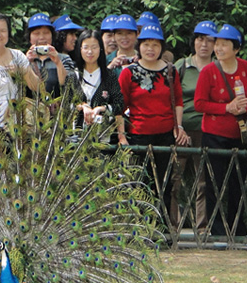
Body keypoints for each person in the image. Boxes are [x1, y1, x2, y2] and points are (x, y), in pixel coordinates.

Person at [194, 24, 247, 238]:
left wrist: (244, 107)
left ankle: (238, 228)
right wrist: (226, 108)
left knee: (237, 182)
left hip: (240, 134)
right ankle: (217, 230)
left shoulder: (246, 68)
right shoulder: (209, 71)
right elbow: (199, 103)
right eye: (218, 44)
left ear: (236, 48)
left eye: (224, 44)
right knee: (214, 182)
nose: (219, 48)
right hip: (214, 134)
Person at [118, 24, 189, 214]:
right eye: (146, 44)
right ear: (139, 46)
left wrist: (178, 126)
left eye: (155, 45)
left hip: (165, 135)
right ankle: (141, 229)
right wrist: (121, 136)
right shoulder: (129, 72)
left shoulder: (171, 70)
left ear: (162, 48)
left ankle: (163, 229)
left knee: (164, 184)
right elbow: (119, 105)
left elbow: (178, 101)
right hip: (138, 135)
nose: (150, 49)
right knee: (141, 184)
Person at [170, 21, 216, 230]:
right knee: (174, 178)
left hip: (207, 128)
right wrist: (176, 126)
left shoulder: (218, 67)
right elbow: (171, 97)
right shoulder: (181, 65)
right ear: (193, 41)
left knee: (204, 180)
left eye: (209, 40)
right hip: (181, 127)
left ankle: (202, 227)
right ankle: (172, 223)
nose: (204, 44)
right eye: (200, 39)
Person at [68, 29, 124, 145]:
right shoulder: (73, 75)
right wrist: (82, 107)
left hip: (104, 138)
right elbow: (66, 104)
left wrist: (101, 109)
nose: (90, 52)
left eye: (94, 47)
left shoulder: (109, 76)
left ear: (100, 49)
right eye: (86, 47)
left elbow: (118, 105)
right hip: (76, 139)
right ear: (80, 49)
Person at [24, 12, 70, 99]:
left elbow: (69, 85)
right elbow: (18, 87)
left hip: (57, 110)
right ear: (29, 37)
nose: (41, 37)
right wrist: (26, 62)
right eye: (36, 33)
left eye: (46, 33)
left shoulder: (64, 58)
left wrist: (58, 62)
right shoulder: (21, 60)